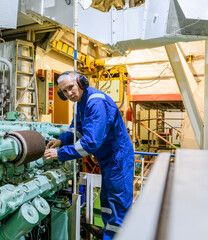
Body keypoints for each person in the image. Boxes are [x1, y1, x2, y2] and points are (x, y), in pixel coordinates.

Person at [43, 71, 134, 240]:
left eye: (71, 87)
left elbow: (91, 143)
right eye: (64, 91)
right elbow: (75, 130)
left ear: (81, 82)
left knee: (119, 202)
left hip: (118, 158)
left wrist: (60, 154)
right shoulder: (80, 103)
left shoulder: (95, 102)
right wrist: (61, 141)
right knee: (107, 199)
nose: (69, 93)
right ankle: (108, 232)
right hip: (107, 159)